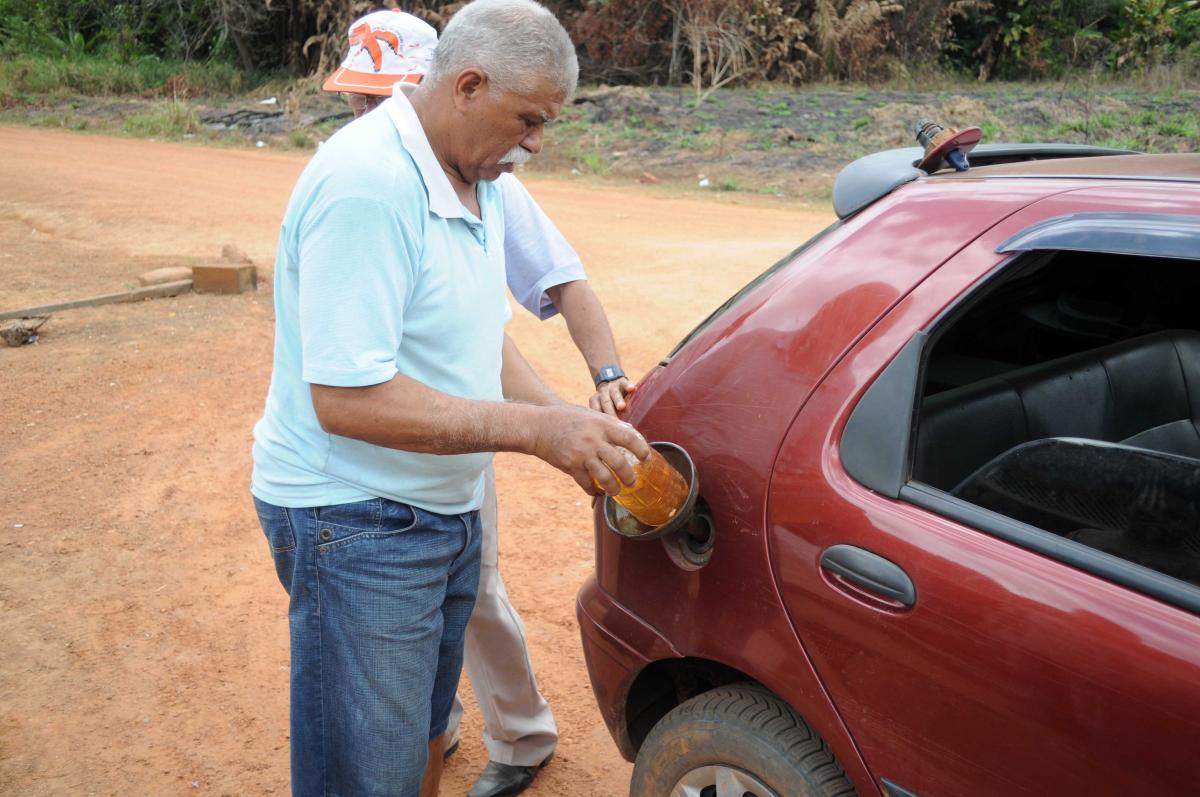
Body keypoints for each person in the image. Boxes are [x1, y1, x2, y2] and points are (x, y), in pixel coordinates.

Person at [250, 2, 650, 795]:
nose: (537, 142)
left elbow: (477, 340)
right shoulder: (368, 184)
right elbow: (347, 398)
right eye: (528, 119)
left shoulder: (474, 171)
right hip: (355, 522)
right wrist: (536, 433)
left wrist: (564, 419)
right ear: (467, 84)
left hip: (438, 509)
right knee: (367, 774)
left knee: (425, 734)